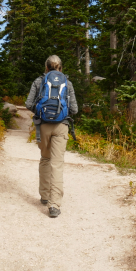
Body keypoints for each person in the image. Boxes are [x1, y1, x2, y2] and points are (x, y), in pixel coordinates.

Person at [24, 55, 79, 218]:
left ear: (46, 67)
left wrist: (41, 113)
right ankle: (54, 205)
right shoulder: (67, 83)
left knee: (45, 159)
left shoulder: (38, 81)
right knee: (57, 163)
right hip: (61, 126)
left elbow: (28, 103)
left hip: (43, 127)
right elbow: (74, 109)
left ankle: (44, 196)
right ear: (60, 68)